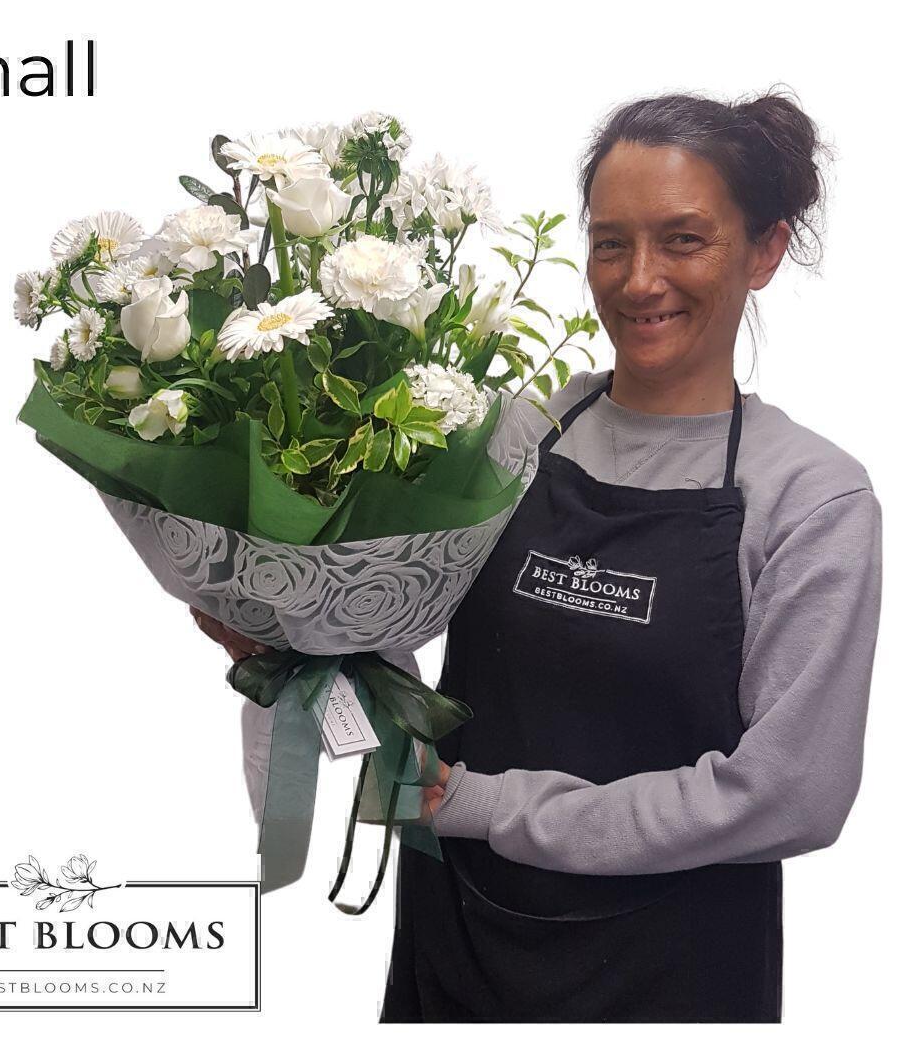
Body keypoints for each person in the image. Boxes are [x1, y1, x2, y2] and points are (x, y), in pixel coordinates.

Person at [194, 89, 883, 1023]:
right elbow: (398, 704)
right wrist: (295, 647)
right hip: (460, 947)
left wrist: (483, 806)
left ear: (764, 250)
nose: (640, 280)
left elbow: (791, 796)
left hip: (671, 973)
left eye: (684, 239)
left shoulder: (810, 497)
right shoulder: (513, 436)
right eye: (611, 241)